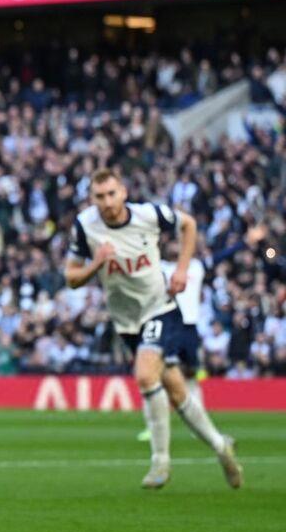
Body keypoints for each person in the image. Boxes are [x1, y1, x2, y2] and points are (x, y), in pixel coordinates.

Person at [65, 168, 242, 490]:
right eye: (100, 197)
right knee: (175, 389)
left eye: (112, 194)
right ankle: (220, 446)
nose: (107, 202)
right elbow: (71, 278)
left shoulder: (148, 215)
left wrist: (182, 270)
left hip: (160, 308)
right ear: (92, 199)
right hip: (125, 321)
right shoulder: (84, 226)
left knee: (145, 375)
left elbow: (188, 224)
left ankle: (160, 461)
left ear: (123, 192)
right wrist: (97, 263)